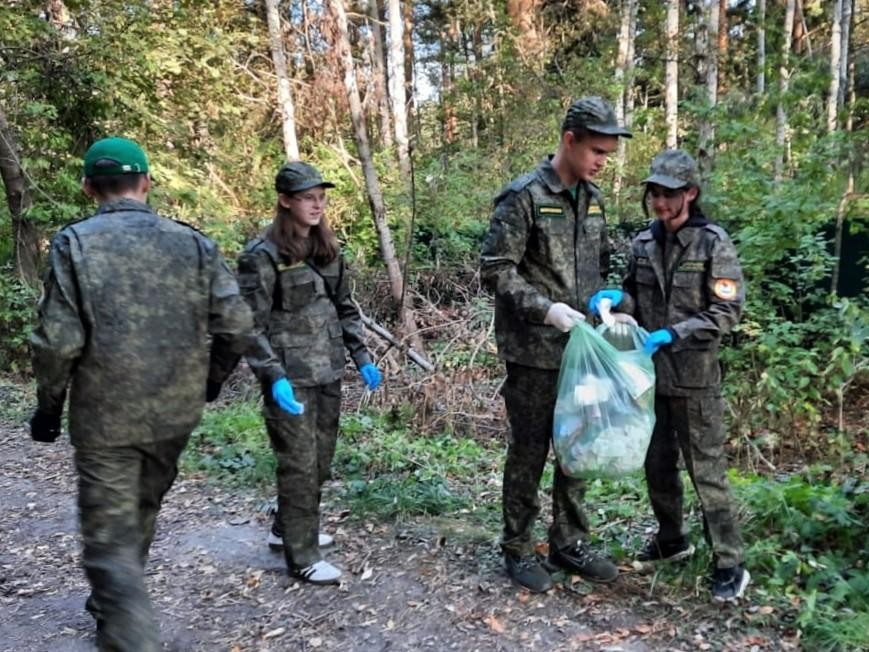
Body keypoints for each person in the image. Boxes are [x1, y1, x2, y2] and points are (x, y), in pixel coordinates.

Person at [28, 137, 254, 651]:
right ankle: (112, 601)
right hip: (175, 413)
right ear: (146, 183)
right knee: (142, 504)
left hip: (106, 418)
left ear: (88, 187)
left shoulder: (75, 243)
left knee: (109, 537)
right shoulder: (193, 243)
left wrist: (48, 408)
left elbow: (58, 341)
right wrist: (211, 381)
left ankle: (130, 632)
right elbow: (238, 325)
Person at [480, 97, 632, 593]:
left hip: (583, 352)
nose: (602, 161)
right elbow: (495, 269)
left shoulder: (593, 198)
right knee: (529, 451)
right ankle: (519, 549)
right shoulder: (523, 197)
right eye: (596, 150)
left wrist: (610, 300)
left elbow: (600, 265)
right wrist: (544, 308)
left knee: (578, 448)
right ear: (569, 140)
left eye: (608, 153)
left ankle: (569, 543)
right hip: (533, 353)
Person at [590, 149, 749, 602]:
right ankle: (671, 538)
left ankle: (730, 562)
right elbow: (634, 301)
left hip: (694, 379)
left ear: (690, 194)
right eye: (655, 194)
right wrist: (613, 302)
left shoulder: (712, 243)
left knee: (708, 473)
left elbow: (727, 310)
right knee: (657, 464)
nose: (660, 203)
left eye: (669, 194)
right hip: (648, 378)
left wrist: (673, 333)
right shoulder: (643, 243)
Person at [237, 161, 382, 585]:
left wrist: (362, 356)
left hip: (328, 372)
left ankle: (287, 527)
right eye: (307, 198)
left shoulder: (327, 249)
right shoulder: (261, 257)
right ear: (285, 200)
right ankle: (302, 555)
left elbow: (345, 308)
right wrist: (271, 375)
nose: (317, 205)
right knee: (299, 465)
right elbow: (249, 325)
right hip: (290, 378)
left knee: (319, 461)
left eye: (321, 197)